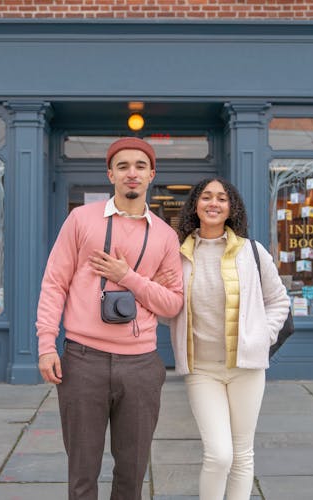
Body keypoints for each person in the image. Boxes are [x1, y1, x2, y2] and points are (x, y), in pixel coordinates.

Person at [35, 137, 184, 500]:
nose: (131, 173)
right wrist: (45, 345)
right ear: (110, 174)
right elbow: (55, 283)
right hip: (83, 359)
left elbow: (173, 304)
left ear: (152, 174)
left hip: (141, 365)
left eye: (139, 166)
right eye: (123, 166)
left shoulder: (165, 236)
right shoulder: (81, 219)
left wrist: (127, 276)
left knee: (132, 472)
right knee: (82, 471)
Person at [157, 177, 290, 500]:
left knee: (243, 455)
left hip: (246, 368)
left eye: (221, 198)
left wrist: (261, 336)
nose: (213, 203)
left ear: (232, 208)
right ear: (195, 206)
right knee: (219, 455)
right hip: (202, 370)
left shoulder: (252, 252)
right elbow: (165, 313)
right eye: (206, 197)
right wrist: (158, 289)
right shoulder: (177, 255)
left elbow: (279, 301)